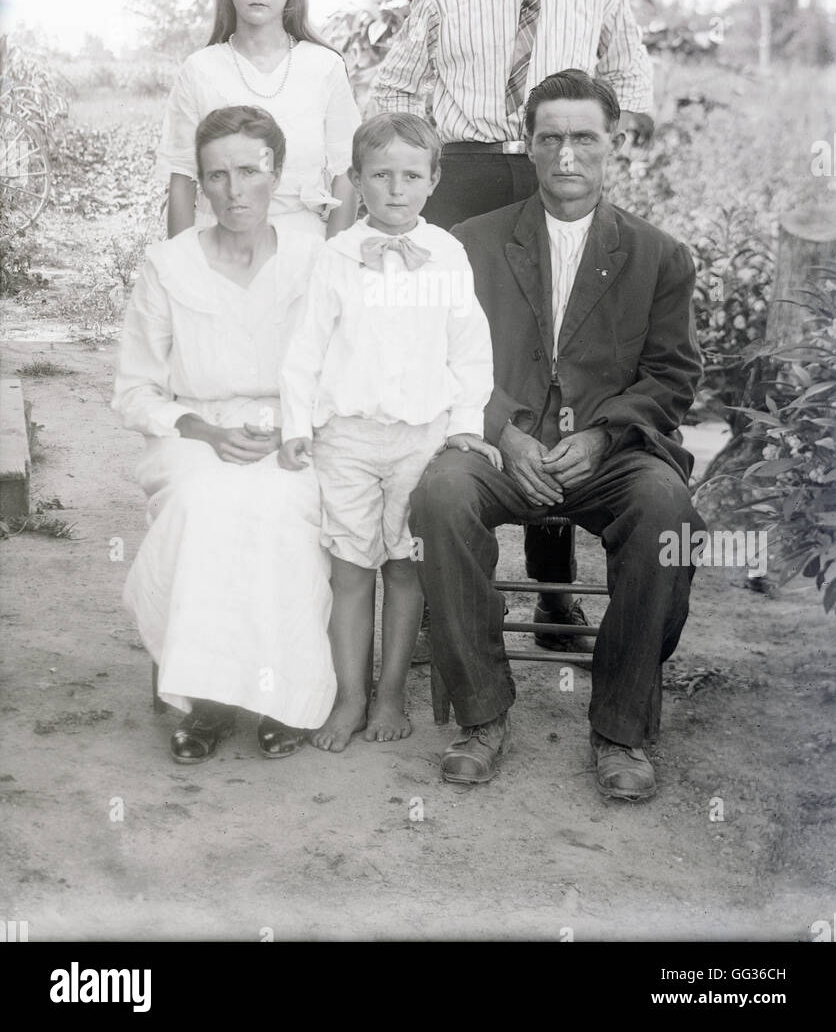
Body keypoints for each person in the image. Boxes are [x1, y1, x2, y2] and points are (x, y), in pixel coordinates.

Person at [373, 0, 655, 644]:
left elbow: (632, 84)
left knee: (552, 367)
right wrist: (420, 178)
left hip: (556, 175)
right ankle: (442, 588)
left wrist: (599, 162)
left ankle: (554, 590)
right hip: (464, 178)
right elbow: (393, 87)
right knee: (457, 360)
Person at [409, 69, 705, 801]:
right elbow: (432, 358)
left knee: (669, 514)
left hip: (609, 455)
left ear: (614, 147)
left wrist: (604, 437)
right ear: (530, 147)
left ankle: (621, 728)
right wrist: (505, 432)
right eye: (551, 139)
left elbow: (671, 376)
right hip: (500, 449)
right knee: (441, 495)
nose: (567, 154)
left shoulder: (660, 255)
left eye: (584, 138)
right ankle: (481, 716)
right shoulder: (469, 244)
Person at [113, 106, 336, 764]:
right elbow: (135, 388)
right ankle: (204, 699)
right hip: (192, 429)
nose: (234, 190)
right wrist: (203, 430)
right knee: (205, 505)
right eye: (217, 176)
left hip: (294, 430)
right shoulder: (168, 265)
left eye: (249, 170)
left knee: (280, 508)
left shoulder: (314, 258)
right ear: (200, 185)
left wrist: (294, 428)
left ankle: (280, 695)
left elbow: (340, 366)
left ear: (277, 171)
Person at [278, 113, 497, 753]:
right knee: (349, 569)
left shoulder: (449, 255)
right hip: (344, 437)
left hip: (420, 438)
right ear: (356, 180)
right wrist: (296, 426)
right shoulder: (334, 258)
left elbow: (469, 349)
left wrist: (463, 426)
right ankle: (349, 696)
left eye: (410, 176)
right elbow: (305, 351)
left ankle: (392, 691)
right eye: (380, 176)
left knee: (405, 568)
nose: (395, 190)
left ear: (433, 181)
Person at [159, 0, 361, 240]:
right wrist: (184, 269)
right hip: (217, 250)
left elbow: (345, 175)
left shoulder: (324, 67)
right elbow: (182, 179)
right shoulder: (200, 70)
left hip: (303, 252)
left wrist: (333, 265)